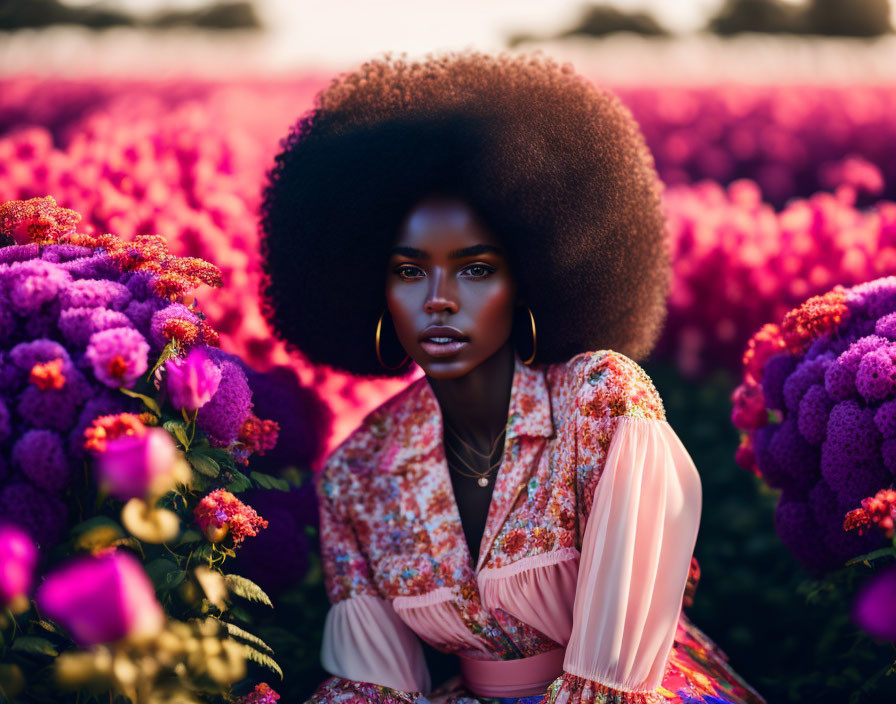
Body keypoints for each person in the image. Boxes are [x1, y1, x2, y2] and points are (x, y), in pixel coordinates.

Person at [259, 49, 767, 704]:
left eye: (475, 268)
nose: (439, 299)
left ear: (529, 274)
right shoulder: (358, 475)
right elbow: (372, 683)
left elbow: (615, 670)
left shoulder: (601, 403)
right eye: (410, 271)